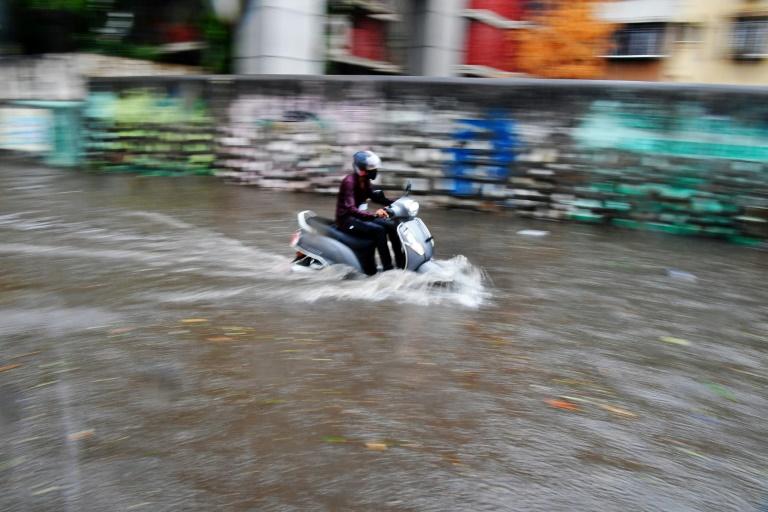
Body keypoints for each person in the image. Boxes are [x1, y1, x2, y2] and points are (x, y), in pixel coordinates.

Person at [335, 150, 405, 272]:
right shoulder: (349, 182)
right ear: (361, 169)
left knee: (392, 226)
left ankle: (401, 263)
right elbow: (351, 209)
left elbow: (374, 197)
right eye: (371, 168)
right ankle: (388, 268)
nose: (374, 171)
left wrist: (397, 202)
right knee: (379, 230)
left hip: (358, 217)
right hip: (347, 220)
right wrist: (374, 215)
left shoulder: (365, 181)